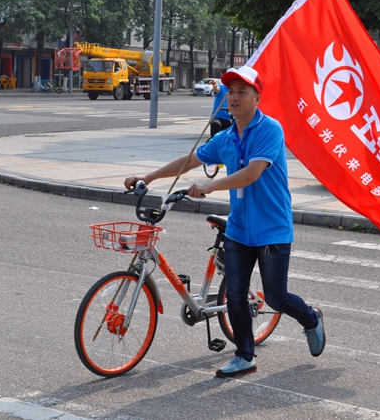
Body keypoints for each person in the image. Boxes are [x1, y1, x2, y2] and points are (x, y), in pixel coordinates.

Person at [124, 65, 325, 378]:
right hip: (240, 228)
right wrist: (147, 176)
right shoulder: (227, 137)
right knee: (234, 295)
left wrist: (210, 185)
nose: (233, 97)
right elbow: (190, 160)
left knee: (275, 297)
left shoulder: (270, 130)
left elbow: (252, 173)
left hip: (272, 228)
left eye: (242, 91)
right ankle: (245, 356)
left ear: (257, 97)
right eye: (230, 91)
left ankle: (311, 318)